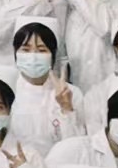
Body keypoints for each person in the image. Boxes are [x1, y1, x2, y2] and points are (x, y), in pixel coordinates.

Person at [7, 17, 83, 156]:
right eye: (26, 49)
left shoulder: (71, 93)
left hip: (60, 165)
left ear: (53, 55)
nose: (33, 56)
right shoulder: (7, 90)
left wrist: (66, 108)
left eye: (41, 50)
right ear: (16, 53)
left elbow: (77, 146)